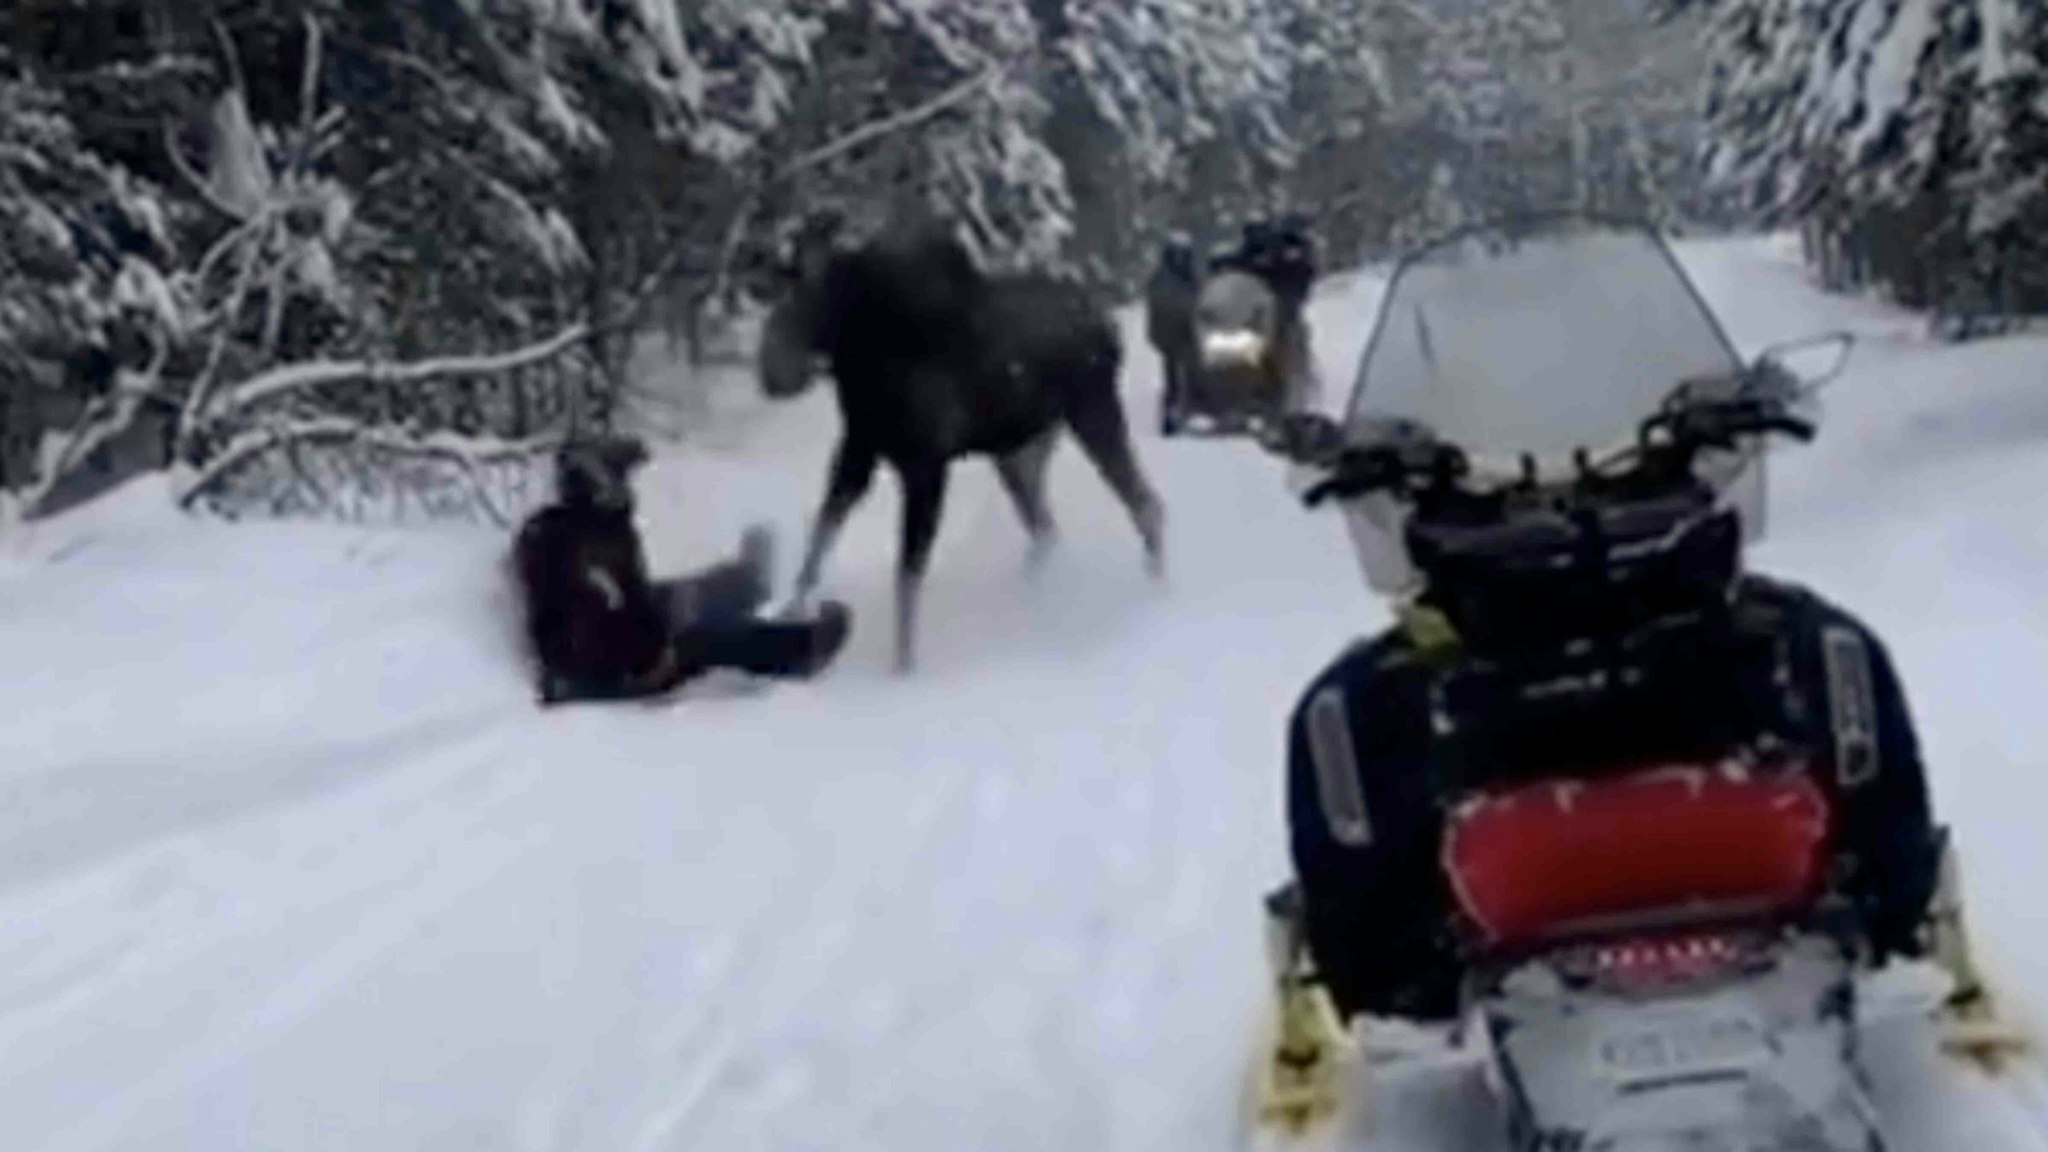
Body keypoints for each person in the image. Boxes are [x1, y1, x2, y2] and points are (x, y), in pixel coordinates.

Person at [512, 434, 851, 705]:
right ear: (597, 484)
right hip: (603, 669)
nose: (627, 489)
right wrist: (657, 652)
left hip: (612, 644)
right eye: (620, 478)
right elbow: (587, 613)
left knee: (687, 595)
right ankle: (802, 650)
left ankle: (744, 581)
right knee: (709, 639)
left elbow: (625, 596)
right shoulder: (566, 541)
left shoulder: (590, 528)